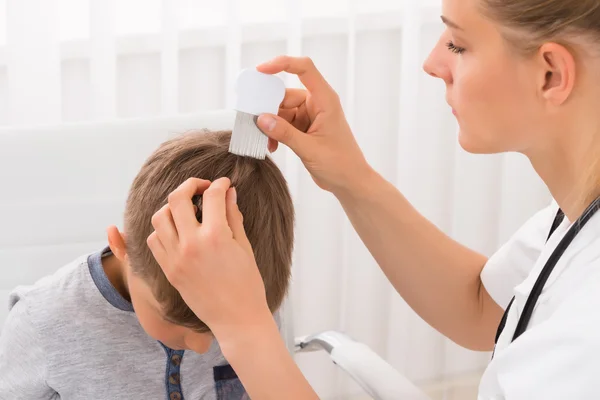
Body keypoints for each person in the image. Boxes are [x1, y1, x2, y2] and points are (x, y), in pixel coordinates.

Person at [147, 0, 600, 398]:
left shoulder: (586, 339)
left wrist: (242, 327)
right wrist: (351, 177)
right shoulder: (577, 215)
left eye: (458, 45)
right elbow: (482, 305)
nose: (432, 63)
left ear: (550, 74)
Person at [0, 130, 295, 399]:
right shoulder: (42, 321)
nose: (203, 347)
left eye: (219, 329)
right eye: (174, 321)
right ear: (121, 247)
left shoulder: (253, 297)